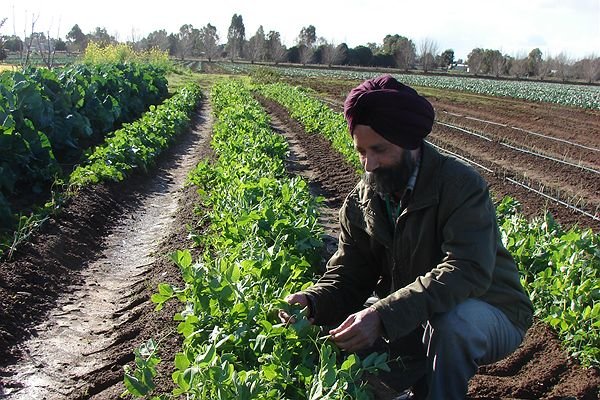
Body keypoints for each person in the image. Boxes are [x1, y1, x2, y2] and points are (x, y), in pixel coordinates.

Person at [280, 74, 533, 399]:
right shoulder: (362, 201)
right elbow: (349, 276)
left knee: (451, 325)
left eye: (379, 150)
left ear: (410, 142)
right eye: (361, 151)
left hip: (488, 310)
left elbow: (466, 271)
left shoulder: (460, 187)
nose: (369, 164)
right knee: (344, 336)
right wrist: (312, 302)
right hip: (414, 314)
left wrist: (384, 315)